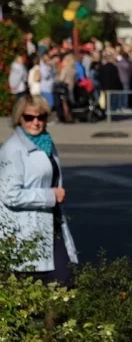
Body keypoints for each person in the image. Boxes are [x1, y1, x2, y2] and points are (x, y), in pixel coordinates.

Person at [0, 95, 77, 285]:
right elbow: (10, 194)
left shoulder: (46, 144)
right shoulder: (13, 149)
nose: (36, 122)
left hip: (51, 222)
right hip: (27, 228)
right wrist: (50, 195)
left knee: (64, 281)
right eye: (29, 117)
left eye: (41, 117)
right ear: (20, 118)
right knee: (44, 284)